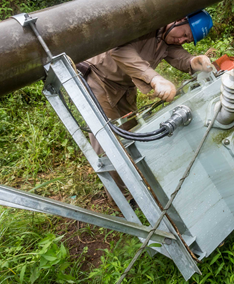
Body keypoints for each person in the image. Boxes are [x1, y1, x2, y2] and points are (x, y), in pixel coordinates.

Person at [81, 10, 215, 187]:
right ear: (179, 19)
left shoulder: (167, 39)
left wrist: (193, 61)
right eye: (184, 34)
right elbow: (119, 50)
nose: (181, 40)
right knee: (108, 143)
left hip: (125, 88)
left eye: (187, 41)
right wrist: (154, 78)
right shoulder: (146, 24)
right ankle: (126, 197)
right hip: (99, 79)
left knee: (131, 137)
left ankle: (139, 185)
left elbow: (178, 56)